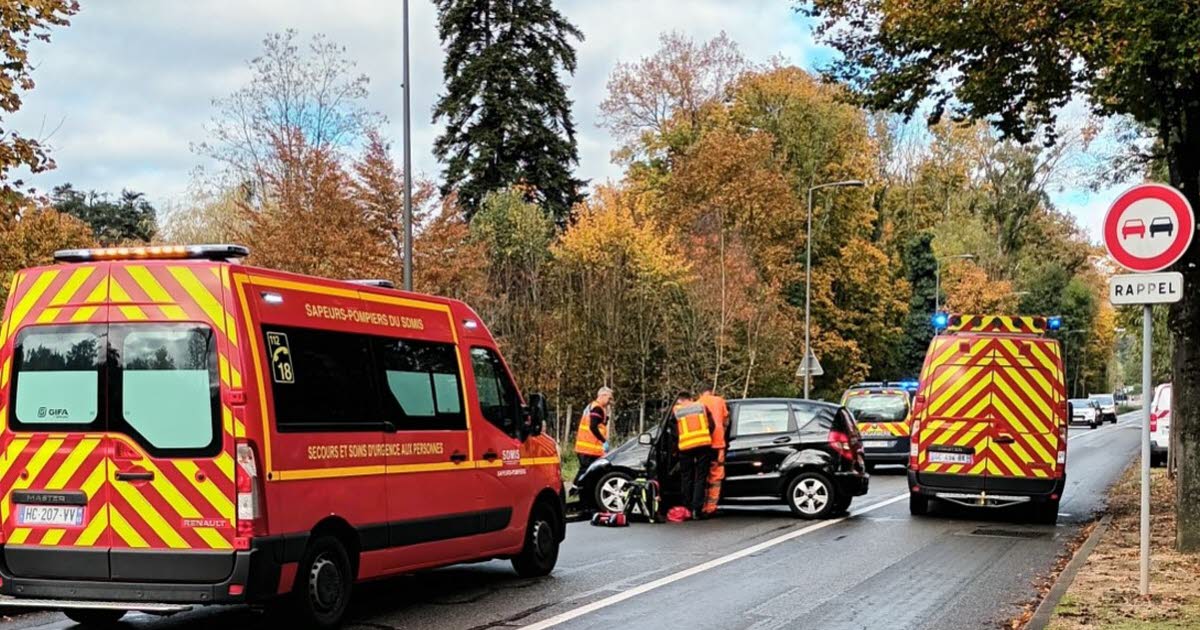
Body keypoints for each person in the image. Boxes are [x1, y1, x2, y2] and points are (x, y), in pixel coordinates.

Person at [672, 391, 714, 519]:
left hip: (685, 447)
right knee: (700, 478)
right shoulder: (701, 406)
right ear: (691, 399)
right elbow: (712, 425)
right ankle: (697, 510)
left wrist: (675, 446)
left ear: (680, 400)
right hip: (703, 444)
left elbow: (673, 431)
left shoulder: (676, 410)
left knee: (686, 478)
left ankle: (687, 509)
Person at [698, 387, 730, 516]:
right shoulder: (719, 401)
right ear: (712, 391)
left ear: (700, 393)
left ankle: (699, 506)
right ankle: (710, 507)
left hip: (701, 444)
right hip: (718, 444)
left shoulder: (697, 403)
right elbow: (726, 421)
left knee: (701, 476)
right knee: (716, 477)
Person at [573, 387, 612, 485]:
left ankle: (577, 488)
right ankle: (576, 488)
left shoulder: (592, 406)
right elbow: (593, 426)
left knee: (587, 471)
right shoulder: (597, 408)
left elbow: (597, 424)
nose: (609, 401)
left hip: (585, 447)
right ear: (603, 396)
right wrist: (603, 441)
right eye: (609, 398)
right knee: (588, 471)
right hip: (590, 448)